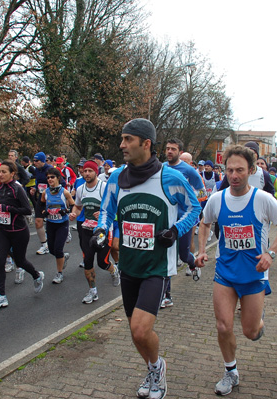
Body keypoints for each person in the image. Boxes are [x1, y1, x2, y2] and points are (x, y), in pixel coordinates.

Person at [94, 118, 200, 399]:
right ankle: (153, 368)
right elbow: (106, 210)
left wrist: (176, 230)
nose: (122, 145)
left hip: (156, 266)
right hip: (129, 264)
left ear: (146, 143)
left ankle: (158, 369)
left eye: (128, 139)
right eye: (122, 139)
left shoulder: (171, 178)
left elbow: (194, 208)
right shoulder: (117, 177)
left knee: (141, 330)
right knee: (134, 330)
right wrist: (102, 230)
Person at [195, 145, 277, 396]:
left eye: (240, 170)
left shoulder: (262, 199)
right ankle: (230, 372)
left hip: (254, 272)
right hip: (225, 271)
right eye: (229, 170)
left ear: (251, 170)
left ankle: (258, 322)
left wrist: (270, 253)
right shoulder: (217, 199)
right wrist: (202, 250)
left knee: (249, 332)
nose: (234, 175)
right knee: (224, 326)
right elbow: (205, 223)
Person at [0, 160, 44, 309]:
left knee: (20, 261)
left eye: (4, 172)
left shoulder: (17, 189)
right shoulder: (0, 188)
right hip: (3, 231)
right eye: (0, 172)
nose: (0, 174)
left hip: (19, 232)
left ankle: (37, 275)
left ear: (12, 174)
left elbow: (27, 210)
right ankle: (1, 296)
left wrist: (8, 208)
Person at [162, 138, 205, 307]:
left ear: (180, 151)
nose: (169, 152)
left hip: (185, 219)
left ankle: (192, 264)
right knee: (168, 257)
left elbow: (201, 191)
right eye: (167, 149)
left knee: (183, 254)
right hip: (167, 218)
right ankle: (167, 296)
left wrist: (194, 205)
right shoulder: (162, 168)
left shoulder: (189, 170)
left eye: (173, 149)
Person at [69, 160, 120, 302]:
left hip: (103, 230)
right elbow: (78, 206)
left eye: (90, 171)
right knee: (88, 261)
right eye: (84, 171)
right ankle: (92, 291)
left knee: (102, 263)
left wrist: (104, 212)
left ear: (96, 172)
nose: (86, 173)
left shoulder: (104, 187)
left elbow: (116, 207)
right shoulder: (80, 189)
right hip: (86, 230)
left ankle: (114, 270)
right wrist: (74, 213)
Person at [41, 167, 75, 284]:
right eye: (48, 177)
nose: (50, 179)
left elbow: (73, 205)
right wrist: (43, 212)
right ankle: (63, 257)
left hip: (62, 224)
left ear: (58, 178)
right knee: (51, 249)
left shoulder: (64, 192)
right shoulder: (45, 192)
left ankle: (59, 273)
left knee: (58, 249)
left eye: (52, 177)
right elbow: (41, 204)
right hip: (50, 224)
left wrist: (65, 211)